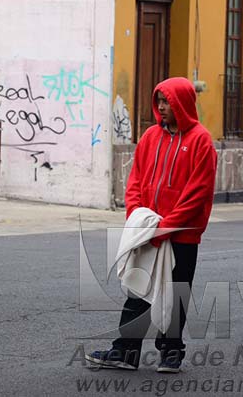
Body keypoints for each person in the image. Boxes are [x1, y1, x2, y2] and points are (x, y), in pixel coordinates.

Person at [86, 77, 217, 373]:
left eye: (167, 101)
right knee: (137, 291)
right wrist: (137, 217)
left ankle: (171, 352)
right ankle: (126, 352)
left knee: (176, 294)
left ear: (182, 103)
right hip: (148, 231)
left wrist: (166, 227)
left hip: (181, 235)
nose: (162, 106)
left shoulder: (200, 140)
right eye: (159, 100)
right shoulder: (150, 136)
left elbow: (198, 193)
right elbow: (135, 180)